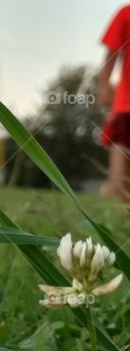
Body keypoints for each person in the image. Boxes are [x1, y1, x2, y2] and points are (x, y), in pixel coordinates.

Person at [99, 4, 130, 203]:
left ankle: (120, 199)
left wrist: (104, 85)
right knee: (121, 147)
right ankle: (121, 203)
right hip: (126, 99)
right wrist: (104, 85)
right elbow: (112, 51)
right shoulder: (126, 14)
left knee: (121, 147)